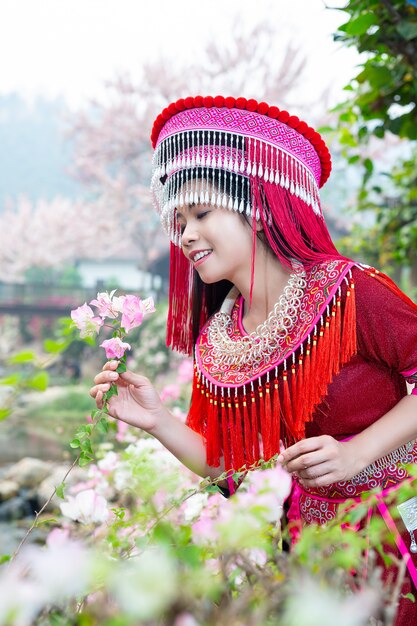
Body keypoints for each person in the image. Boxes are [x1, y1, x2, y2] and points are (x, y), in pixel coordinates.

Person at [90, 95, 417, 624]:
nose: (186, 233)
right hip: (311, 551)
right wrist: (156, 420)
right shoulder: (219, 341)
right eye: (180, 220)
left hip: (398, 529)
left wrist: (358, 455)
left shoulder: (350, 290)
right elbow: (234, 467)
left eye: (201, 212)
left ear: (260, 208)